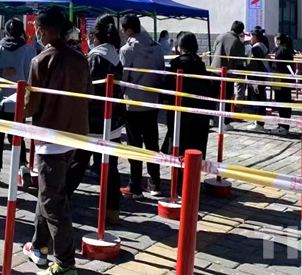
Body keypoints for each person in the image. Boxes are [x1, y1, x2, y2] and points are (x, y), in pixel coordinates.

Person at [22, 7, 90, 275]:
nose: (36, 33)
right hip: (74, 135)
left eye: (37, 29)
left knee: (53, 202)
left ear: (42, 30)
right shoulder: (80, 58)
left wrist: (18, 107)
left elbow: (30, 104)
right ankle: (39, 244)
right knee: (49, 192)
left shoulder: (41, 60)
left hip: (50, 136)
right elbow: (88, 92)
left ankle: (65, 264)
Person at [66, 17, 125, 224]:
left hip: (93, 119)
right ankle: (112, 209)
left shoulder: (94, 58)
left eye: (90, 36)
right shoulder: (116, 56)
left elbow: (85, 88)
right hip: (113, 118)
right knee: (110, 166)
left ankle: (61, 201)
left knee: (78, 161)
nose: (89, 40)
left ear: (97, 37)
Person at [119, 14, 165, 199]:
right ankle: (155, 183)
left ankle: (135, 185)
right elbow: (161, 73)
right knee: (152, 143)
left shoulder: (127, 50)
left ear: (129, 30)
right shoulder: (157, 47)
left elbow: (123, 79)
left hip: (133, 103)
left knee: (134, 145)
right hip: (152, 102)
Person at [0, 18, 35, 187]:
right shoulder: (29, 50)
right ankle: (22, 165)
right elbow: (31, 75)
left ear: (6, 31)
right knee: (17, 136)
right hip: (19, 101)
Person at [167, 32, 217, 161]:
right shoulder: (200, 63)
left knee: (179, 149)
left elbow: (169, 87)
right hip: (199, 113)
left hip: (181, 112)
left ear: (180, 46)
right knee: (195, 149)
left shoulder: (177, 63)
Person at [211, 21, 247, 102]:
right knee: (227, 96)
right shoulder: (237, 42)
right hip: (228, 73)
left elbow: (214, 51)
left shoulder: (220, 37)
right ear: (241, 31)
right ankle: (225, 110)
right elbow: (240, 61)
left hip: (215, 70)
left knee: (213, 95)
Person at [245, 28, 270, 133]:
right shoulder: (263, 46)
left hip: (256, 78)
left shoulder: (256, 48)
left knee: (257, 100)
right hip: (261, 77)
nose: (250, 38)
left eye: (251, 36)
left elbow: (254, 65)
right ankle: (258, 122)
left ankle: (258, 123)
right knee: (260, 99)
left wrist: (250, 78)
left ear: (255, 37)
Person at [270, 34, 295, 136]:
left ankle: (283, 126)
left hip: (280, 79)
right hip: (286, 80)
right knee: (285, 102)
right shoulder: (288, 49)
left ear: (279, 40)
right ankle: (284, 126)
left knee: (281, 102)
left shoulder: (281, 51)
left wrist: (271, 61)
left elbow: (276, 65)